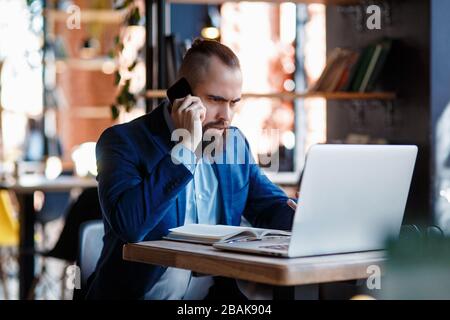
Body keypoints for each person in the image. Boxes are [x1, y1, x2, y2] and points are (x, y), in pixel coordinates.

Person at [86, 39, 296, 299]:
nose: (226, 116)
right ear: (181, 94)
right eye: (215, 100)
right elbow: (131, 225)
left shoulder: (234, 144)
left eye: (233, 103)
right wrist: (185, 149)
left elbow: (269, 206)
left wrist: (309, 217)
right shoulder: (123, 142)